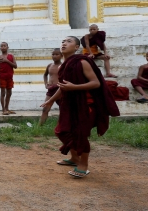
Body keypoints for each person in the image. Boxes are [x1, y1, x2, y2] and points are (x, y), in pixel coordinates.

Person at [41, 36, 119, 178]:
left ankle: (83, 164)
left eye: (69, 41)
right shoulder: (63, 65)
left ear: (77, 47)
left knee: (80, 135)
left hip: (85, 105)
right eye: (63, 41)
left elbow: (96, 83)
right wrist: (50, 101)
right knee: (62, 131)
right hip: (70, 105)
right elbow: (63, 87)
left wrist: (74, 87)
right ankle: (74, 158)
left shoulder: (82, 62)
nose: (64, 43)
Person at [39, 49, 63, 125]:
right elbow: (45, 75)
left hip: (59, 88)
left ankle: (63, 126)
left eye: (57, 54)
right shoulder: (50, 65)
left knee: (63, 109)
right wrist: (46, 83)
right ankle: (40, 126)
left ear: (61, 56)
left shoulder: (63, 66)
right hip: (50, 89)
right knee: (45, 108)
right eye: (53, 54)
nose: (54, 56)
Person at [0, 42, 17, 115]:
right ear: (0, 48)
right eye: (1, 46)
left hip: (10, 77)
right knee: (3, 93)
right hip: (2, 77)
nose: (3, 47)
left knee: (9, 93)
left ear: (7, 47)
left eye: (4, 46)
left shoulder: (11, 56)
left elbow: (15, 66)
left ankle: (7, 108)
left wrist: (7, 61)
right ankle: (3, 109)